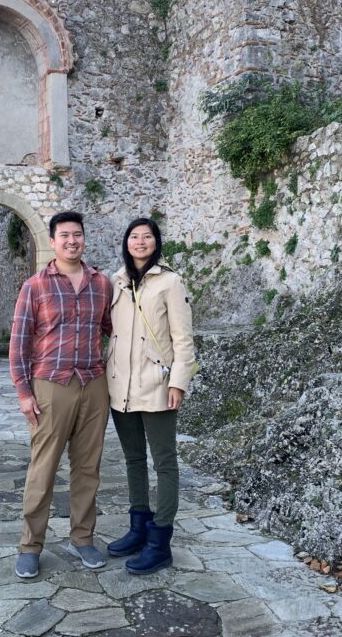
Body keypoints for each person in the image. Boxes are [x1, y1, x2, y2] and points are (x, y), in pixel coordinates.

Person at [10, 211, 113, 579]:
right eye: (65, 235)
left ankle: (82, 538)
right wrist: (24, 392)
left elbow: (111, 330)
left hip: (93, 384)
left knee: (88, 468)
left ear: (84, 239)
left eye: (78, 235)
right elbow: (19, 344)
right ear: (52, 242)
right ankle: (30, 545)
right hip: (51, 386)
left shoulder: (102, 284)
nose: (72, 241)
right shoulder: (34, 286)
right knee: (43, 468)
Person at [105, 217, 197, 575]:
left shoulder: (170, 282)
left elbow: (183, 339)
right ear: (126, 242)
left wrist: (179, 382)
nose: (140, 241)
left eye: (147, 236)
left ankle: (160, 541)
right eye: (134, 236)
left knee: (165, 462)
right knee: (132, 460)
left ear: (156, 243)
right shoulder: (116, 281)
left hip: (157, 384)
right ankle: (138, 528)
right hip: (120, 387)